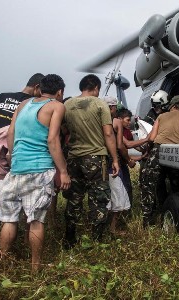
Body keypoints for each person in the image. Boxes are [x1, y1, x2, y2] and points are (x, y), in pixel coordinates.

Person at [0, 74, 70, 272]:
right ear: (60, 92)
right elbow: (53, 140)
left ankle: (3, 263)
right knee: (36, 221)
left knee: (9, 220)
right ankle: (35, 267)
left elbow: (11, 133)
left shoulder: (24, 104)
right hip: (39, 169)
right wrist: (63, 171)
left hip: (16, 170)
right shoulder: (56, 106)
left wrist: (14, 157)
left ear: (40, 88)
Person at [62, 74, 119, 248]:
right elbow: (108, 133)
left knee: (74, 199)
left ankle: (70, 238)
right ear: (95, 88)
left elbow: (64, 129)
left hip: (73, 159)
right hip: (95, 157)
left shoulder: (67, 104)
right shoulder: (100, 103)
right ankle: (96, 240)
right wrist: (115, 159)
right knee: (98, 200)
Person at [140, 95, 179, 227]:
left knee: (148, 183)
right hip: (178, 152)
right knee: (177, 185)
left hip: (159, 150)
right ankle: (177, 213)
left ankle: (147, 220)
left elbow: (152, 138)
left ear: (173, 106)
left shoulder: (161, 116)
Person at [103, 97, 136, 235]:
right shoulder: (116, 122)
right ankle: (112, 228)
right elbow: (121, 146)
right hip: (112, 164)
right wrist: (128, 160)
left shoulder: (96, 120)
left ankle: (102, 227)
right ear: (111, 107)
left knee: (104, 196)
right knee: (118, 196)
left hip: (98, 163)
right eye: (115, 107)